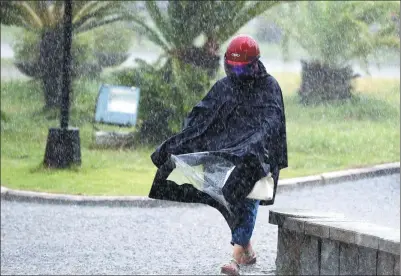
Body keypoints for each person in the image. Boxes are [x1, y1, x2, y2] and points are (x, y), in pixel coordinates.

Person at [148, 34, 287, 276]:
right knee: (229, 200)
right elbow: (201, 118)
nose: (237, 74)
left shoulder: (269, 87)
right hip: (227, 157)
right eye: (233, 68)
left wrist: (250, 148)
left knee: (248, 197)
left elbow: (271, 124)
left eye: (243, 69)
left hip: (257, 159)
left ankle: (234, 259)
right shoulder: (224, 87)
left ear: (255, 64)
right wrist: (181, 143)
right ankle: (247, 250)